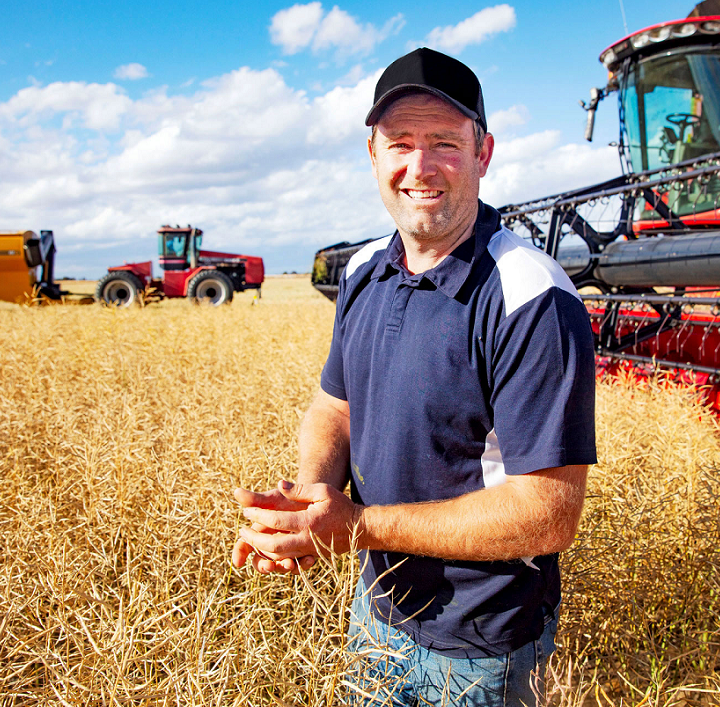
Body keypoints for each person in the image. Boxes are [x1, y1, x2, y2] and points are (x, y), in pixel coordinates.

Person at [232, 47, 597, 706]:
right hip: (376, 612)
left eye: (444, 144)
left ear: (483, 153)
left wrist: (357, 527)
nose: (420, 167)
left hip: (481, 647)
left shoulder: (530, 297)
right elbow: (335, 409)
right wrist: (311, 502)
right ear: (372, 154)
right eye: (400, 143)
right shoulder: (364, 271)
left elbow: (547, 516)